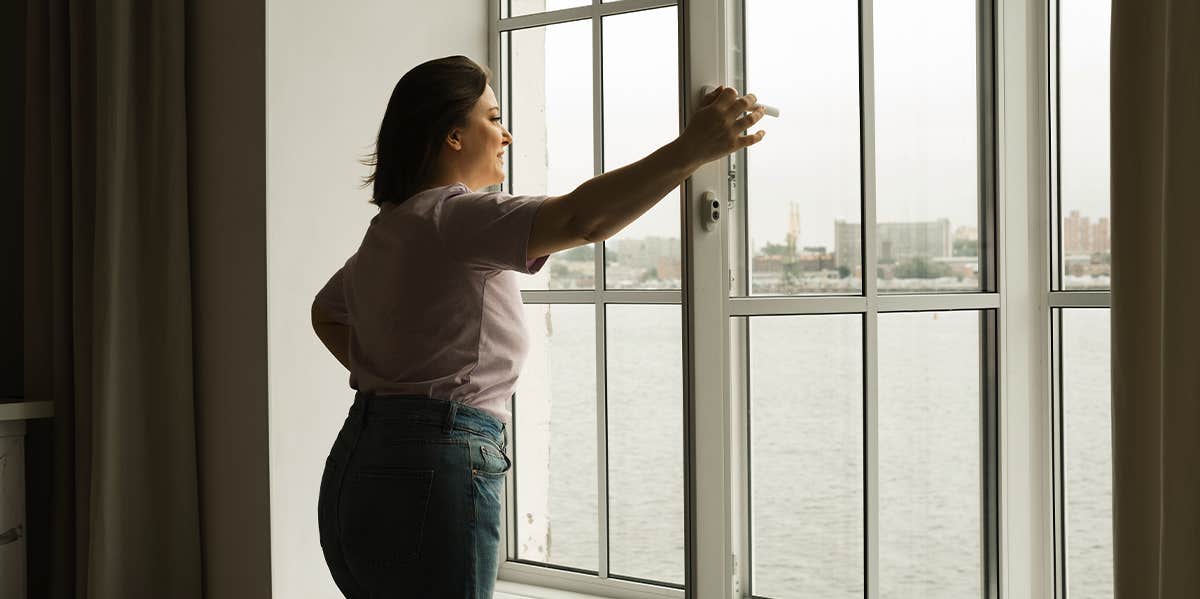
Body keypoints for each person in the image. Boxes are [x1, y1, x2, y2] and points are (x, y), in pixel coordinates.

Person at [311, 54, 767, 598]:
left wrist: (399, 385)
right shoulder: (453, 217)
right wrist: (693, 149)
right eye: (493, 117)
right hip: (436, 462)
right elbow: (582, 219)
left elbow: (326, 312)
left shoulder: (391, 227)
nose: (506, 135)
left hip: (361, 456)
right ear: (453, 135)